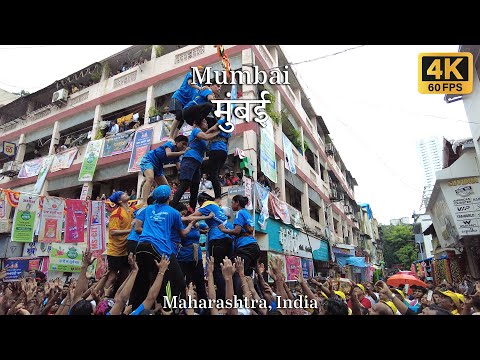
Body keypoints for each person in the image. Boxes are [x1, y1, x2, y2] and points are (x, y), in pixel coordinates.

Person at [130, 185, 195, 310]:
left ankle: (135, 310)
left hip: (141, 246)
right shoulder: (174, 212)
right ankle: (169, 310)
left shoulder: (147, 209)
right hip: (160, 248)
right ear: (169, 196)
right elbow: (182, 234)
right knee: (175, 280)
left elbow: (138, 227)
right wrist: (191, 224)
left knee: (142, 281)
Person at [170, 118, 220, 210]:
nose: (207, 124)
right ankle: (171, 206)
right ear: (199, 123)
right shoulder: (196, 130)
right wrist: (219, 130)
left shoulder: (204, 138)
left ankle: (191, 210)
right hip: (189, 159)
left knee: (195, 188)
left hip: (197, 163)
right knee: (185, 184)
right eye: (204, 122)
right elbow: (207, 137)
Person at [188, 192, 231, 300]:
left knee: (216, 269)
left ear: (201, 201)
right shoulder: (216, 206)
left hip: (217, 239)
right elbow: (209, 225)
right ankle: (230, 298)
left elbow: (191, 217)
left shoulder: (207, 204)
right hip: (228, 238)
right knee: (227, 269)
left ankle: (221, 299)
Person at [219, 195, 259, 297]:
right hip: (253, 246)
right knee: (247, 277)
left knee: (238, 274)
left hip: (245, 247)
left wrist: (223, 230)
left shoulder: (239, 213)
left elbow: (237, 231)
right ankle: (254, 301)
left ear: (237, 203)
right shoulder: (247, 214)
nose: (231, 205)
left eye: (232, 202)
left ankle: (240, 304)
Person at [104, 191, 138, 292]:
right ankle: (103, 299)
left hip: (125, 249)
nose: (126, 193)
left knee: (125, 275)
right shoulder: (116, 213)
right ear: (119, 200)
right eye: (123, 194)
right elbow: (113, 232)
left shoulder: (131, 210)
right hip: (115, 250)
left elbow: (144, 202)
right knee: (112, 276)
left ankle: (119, 297)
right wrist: (130, 230)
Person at [175, 203, 210, 302]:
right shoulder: (180, 224)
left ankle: (203, 306)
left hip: (196, 257)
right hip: (183, 257)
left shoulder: (196, 225)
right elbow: (183, 236)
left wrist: (198, 226)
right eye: (187, 215)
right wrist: (191, 224)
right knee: (182, 283)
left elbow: (207, 226)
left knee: (200, 282)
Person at [139, 135, 189, 203]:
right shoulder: (170, 144)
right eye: (183, 143)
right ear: (177, 142)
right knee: (150, 178)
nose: (184, 146)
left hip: (158, 166)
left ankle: (151, 201)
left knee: (166, 188)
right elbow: (168, 154)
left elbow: (179, 168)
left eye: (186, 145)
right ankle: (144, 202)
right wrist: (182, 152)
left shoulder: (177, 156)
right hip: (149, 160)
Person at [169, 66, 206, 139]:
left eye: (202, 74)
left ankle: (174, 138)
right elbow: (190, 83)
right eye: (200, 72)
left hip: (185, 104)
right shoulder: (191, 74)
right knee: (179, 115)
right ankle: (170, 137)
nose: (201, 75)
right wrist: (200, 88)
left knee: (182, 120)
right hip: (178, 98)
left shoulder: (199, 85)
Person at [204, 117, 232, 203]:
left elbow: (214, 127)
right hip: (222, 151)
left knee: (213, 175)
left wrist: (205, 133)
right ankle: (217, 197)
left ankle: (217, 197)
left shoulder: (223, 120)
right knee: (213, 174)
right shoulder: (226, 126)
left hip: (216, 150)